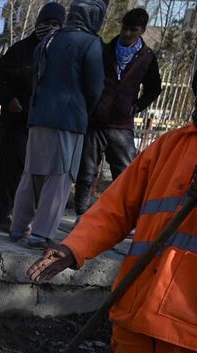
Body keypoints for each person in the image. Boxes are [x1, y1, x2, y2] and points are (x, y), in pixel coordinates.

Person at [27, 65, 197, 353]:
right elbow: (117, 206)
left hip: (190, 315)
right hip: (142, 298)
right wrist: (73, 247)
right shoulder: (173, 145)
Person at [9, 0, 106, 248]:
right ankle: (41, 232)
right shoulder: (90, 43)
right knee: (60, 176)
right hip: (69, 120)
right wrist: (85, 110)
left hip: (38, 116)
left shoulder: (49, 39)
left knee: (31, 173)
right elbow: (95, 87)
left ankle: (17, 227)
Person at [0, 2, 66, 232]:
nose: (49, 28)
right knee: (11, 168)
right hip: (17, 122)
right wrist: (9, 99)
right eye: (45, 23)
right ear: (37, 23)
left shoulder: (61, 55)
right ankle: (2, 216)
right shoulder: (20, 51)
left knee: (39, 174)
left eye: (55, 25)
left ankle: (29, 220)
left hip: (46, 124)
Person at [74, 7, 162, 217]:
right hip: (95, 122)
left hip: (122, 125)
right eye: (125, 28)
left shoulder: (147, 57)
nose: (127, 33)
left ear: (142, 30)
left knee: (124, 175)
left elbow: (154, 88)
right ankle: (81, 215)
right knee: (86, 173)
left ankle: (120, 217)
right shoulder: (104, 49)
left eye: (133, 29)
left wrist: (137, 106)